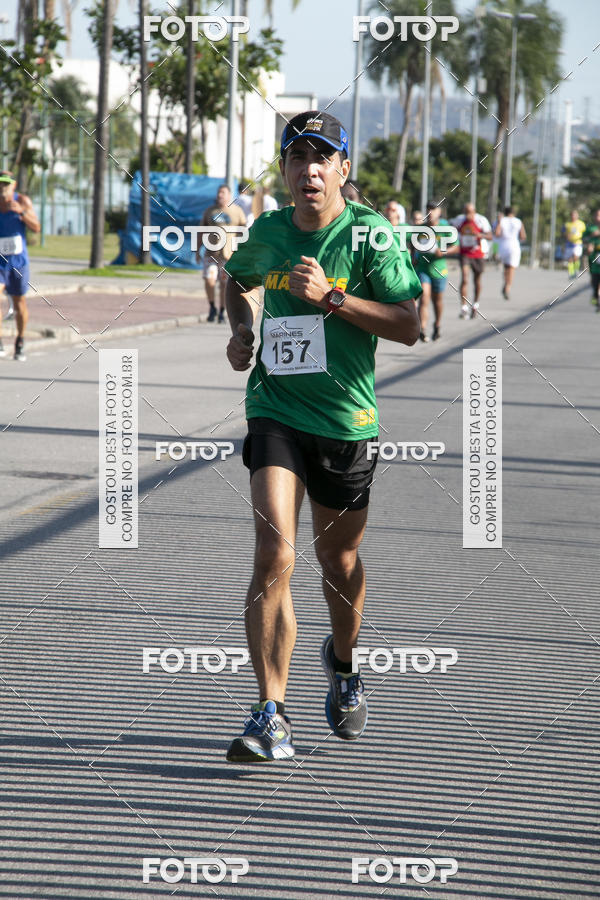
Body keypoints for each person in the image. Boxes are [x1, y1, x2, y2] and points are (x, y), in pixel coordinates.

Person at [223, 110, 421, 762]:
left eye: (322, 157)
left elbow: (408, 322)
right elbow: (237, 279)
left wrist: (332, 298)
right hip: (274, 407)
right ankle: (270, 713)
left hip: (344, 423)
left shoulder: (372, 236)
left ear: (341, 170)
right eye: (296, 157)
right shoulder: (270, 230)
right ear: (283, 171)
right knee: (272, 553)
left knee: (336, 564)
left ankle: (341, 661)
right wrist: (241, 330)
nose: (308, 169)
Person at [0, 171, 40, 361]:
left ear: (13, 186)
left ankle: (20, 340)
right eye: (0, 184)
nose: (2, 188)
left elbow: (36, 228)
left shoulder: (23, 201)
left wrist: (21, 212)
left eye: (6, 184)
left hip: (18, 262)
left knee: (19, 303)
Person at [197, 184, 246, 323]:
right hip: (211, 254)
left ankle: (222, 311)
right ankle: (212, 307)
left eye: (223, 193)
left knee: (225, 284)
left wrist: (242, 251)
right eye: (219, 193)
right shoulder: (210, 211)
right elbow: (201, 231)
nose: (220, 195)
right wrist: (196, 250)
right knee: (209, 279)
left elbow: (244, 231)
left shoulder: (237, 211)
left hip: (228, 256)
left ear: (229, 195)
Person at [414, 201, 459, 342]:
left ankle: (437, 325)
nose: (430, 213)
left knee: (437, 301)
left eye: (433, 210)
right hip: (423, 269)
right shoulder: (420, 228)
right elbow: (412, 244)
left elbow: (456, 247)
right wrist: (412, 257)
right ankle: (423, 328)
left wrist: (443, 251)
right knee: (424, 296)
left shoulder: (446, 229)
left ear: (439, 212)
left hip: (439, 270)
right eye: (428, 210)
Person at [451, 202, 493, 319]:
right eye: (465, 212)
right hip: (465, 253)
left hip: (478, 253)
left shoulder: (481, 220)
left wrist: (480, 235)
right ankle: (464, 307)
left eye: (469, 212)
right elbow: (451, 228)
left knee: (477, 280)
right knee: (464, 278)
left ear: (474, 211)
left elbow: (490, 236)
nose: (467, 214)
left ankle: (475, 304)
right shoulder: (459, 220)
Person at [495, 206, 526, 300]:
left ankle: (506, 282)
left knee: (506, 267)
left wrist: (499, 222)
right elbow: (523, 236)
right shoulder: (518, 221)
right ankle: (507, 287)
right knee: (512, 269)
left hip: (503, 246)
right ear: (514, 213)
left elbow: (497, 233)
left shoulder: (502, 220)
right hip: (514, 246)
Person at [583, 208, 600, 309]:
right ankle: (595, 294)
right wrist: (589, 243)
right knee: (594, 281)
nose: (598, 218)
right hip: (594, 259)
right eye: (597, 215)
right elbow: (583, 239)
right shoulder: (590, 228)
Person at [562, 209, 586, 279]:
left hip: (578, 243)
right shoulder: (567, 224)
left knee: (576, 257)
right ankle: (571, 273)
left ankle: (576, 270)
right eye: (572, 215)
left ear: (577, 215)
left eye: (575, 214)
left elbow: (585, 233)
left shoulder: (581, 224)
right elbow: (563, 232)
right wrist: (566, 236)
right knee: (570, 259)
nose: (573, 216)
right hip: (569, 244)